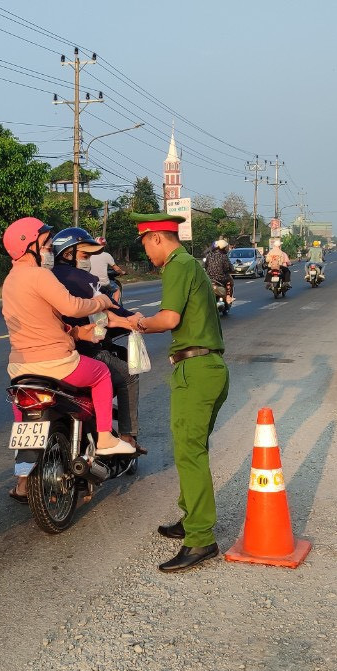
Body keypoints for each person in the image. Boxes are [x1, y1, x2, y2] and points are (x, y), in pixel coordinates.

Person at [2, 217, 134, 502]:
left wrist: (75, 331)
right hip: (57, 363)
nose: (48, 249)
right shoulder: (39, 275)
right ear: (30, 246)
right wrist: (102, 302)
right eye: (46, 243)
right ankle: (105, 437)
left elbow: (40, 320)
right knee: (100, 373)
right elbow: (71, 305)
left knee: (26, 422)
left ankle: (23, 481)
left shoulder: (10, 281)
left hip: (19, 369)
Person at [132, 212, 229, 573]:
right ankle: (191, 520)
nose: (145, 252)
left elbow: (169, 319)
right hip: (208, 368)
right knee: (193, 449)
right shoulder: (190, 264)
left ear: (157, 237)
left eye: (144, 243)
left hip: (197, 370)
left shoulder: (176, 264)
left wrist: (139, 322)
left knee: (190, 454)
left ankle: (201, 539)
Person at [48, 227, 146, 454]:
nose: (89, 260)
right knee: (129, 375)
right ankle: (126, 437)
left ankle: (23, 476)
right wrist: (133, 320)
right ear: (67, 254)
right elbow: (109, 312)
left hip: (31, 361)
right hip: (78, 353)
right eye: (85, 255)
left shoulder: (41, 278)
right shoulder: (82, 278)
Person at [88, 238, 128, 303]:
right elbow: (116, 268)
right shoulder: (106, 255)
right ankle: (115, 307)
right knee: (117, 289)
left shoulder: (88, 255)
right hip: (104, 283)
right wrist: (122, 272)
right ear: (103, 246)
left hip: (92, 284)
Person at [202, 239, 235, 304]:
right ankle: (228, 297)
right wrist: (232, 269)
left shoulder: (209, 255)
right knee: (230, 282)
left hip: (209, 278)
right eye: (226, 247)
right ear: (223, 248)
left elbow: (205, 266)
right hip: (221, 278)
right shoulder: (224, 256)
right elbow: (227, 268)